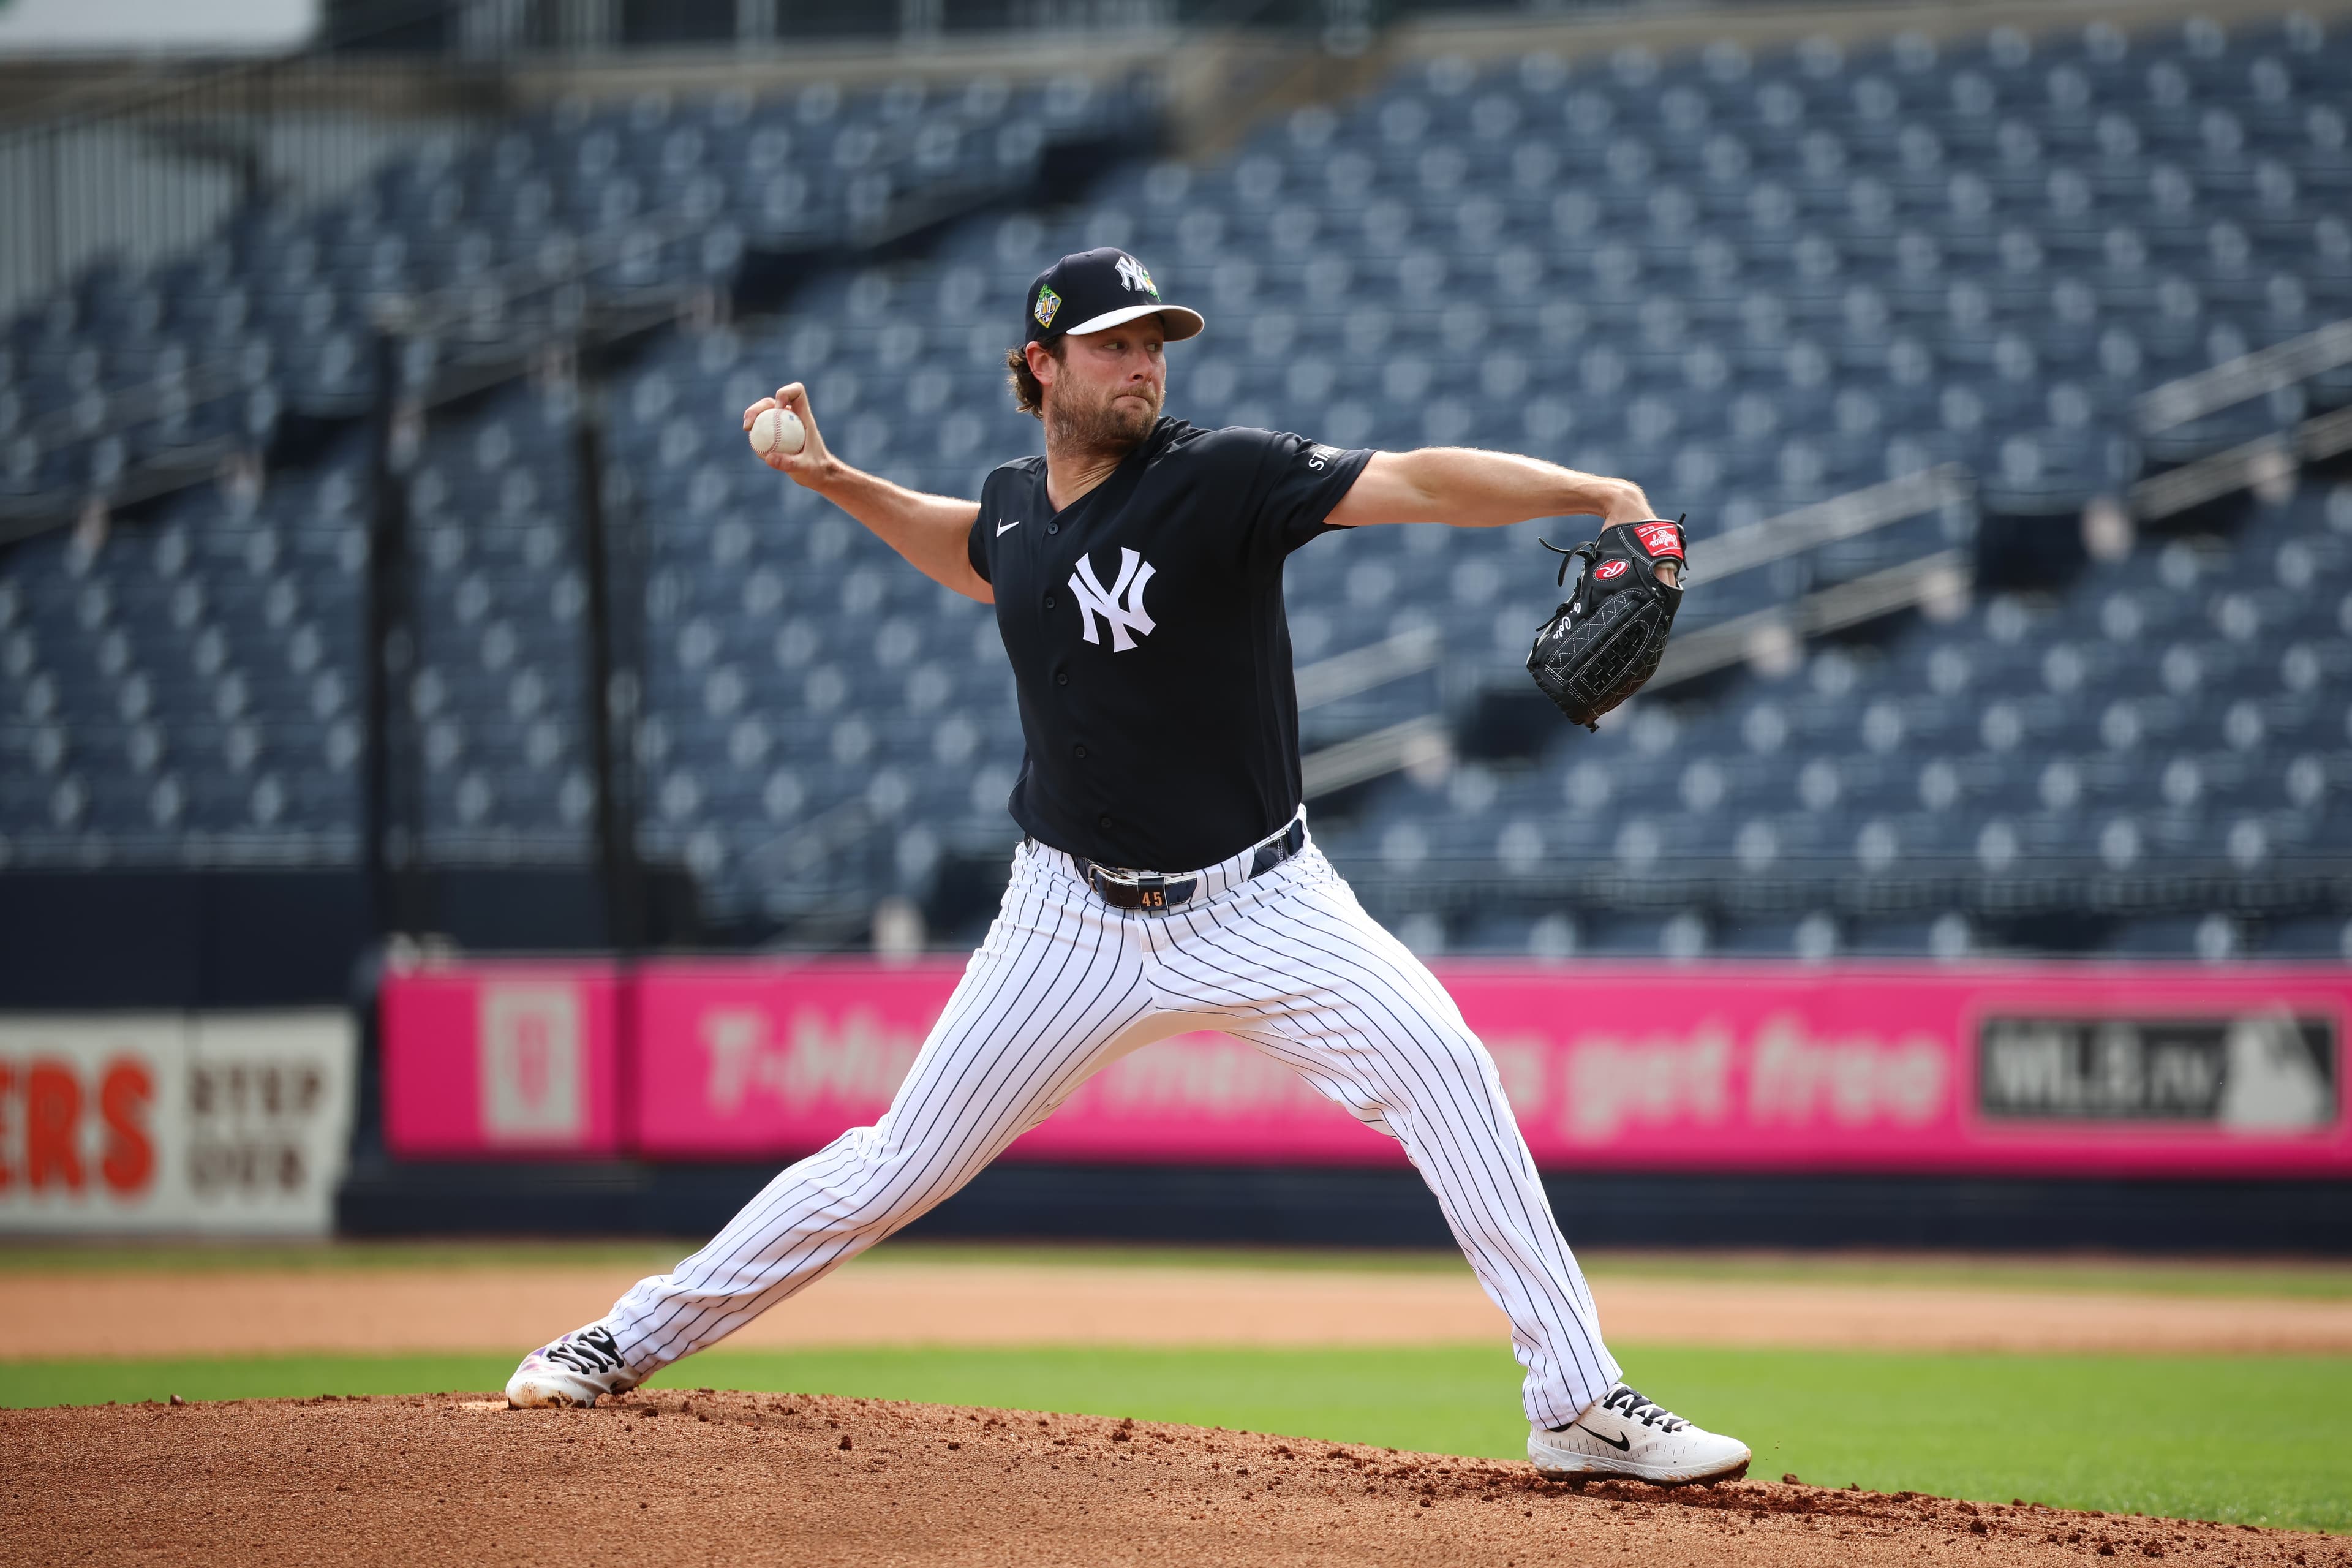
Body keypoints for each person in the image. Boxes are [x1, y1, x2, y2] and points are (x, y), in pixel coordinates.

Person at [506, 247, 1742, 1485]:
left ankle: (1577, 1400)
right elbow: (978, 553)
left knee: (1449, 1070)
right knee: (894, 1163)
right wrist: (832, 478)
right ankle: (629, 1333)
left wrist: (1596, 491)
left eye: (1154, 339)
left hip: (1265, 898)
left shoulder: (1221, 476)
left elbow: (1415, 478)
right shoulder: (1012, 505)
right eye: (1112, 341)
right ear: (1042, 366)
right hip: (1067, 918)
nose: (1143, 359)